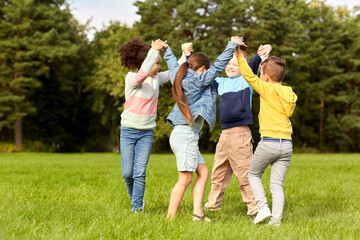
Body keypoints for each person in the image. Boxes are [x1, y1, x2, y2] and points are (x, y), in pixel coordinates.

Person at [163, 37, 246, 221]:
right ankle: (169, 219)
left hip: (185, 134)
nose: (210, 75)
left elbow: (175, 65)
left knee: (203, 173)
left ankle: (198, 214)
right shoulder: (197, 81)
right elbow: (217, 68)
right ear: (202, 70)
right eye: (207, 71)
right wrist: (232, 44)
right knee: (185, 178)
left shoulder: (182, 75)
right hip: (185, 134)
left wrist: (168, 50)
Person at [118, 38, 186, 212]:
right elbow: (142, 75)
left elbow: (174, 72)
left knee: (139, 173)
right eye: (156, 63)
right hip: (128, 131)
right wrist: (154, 51)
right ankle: (137, 200)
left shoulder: (156, 79)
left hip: (146, 133)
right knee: (127, 174)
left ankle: (136, 208)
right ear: (145, 63)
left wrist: (184, 55)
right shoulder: (132, 78)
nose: (159, 67)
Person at [235, 39, 297, 226]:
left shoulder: (266, 88)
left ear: (266, 77)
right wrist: (267, 56)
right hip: (286, 144)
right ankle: (276, 221)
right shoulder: (289, 93)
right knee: (277, 184)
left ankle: (263, 208)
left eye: (261, 74)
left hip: (269, 142)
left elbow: (247, 74)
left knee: (253, 174)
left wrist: (238, 54)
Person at [205, 45, 272, 219]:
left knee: (244, 172)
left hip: (240, 134)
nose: (230, 66)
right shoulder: (221, 82)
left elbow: (254, 62)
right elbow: (211, 71)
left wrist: (263, 51)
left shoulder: (246, 80)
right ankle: (213, 204)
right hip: (224, 134)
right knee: (218, 171)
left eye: (235, 63)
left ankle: (254, 207)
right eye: (228, 63)